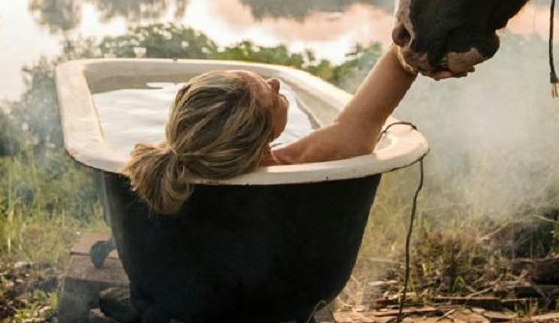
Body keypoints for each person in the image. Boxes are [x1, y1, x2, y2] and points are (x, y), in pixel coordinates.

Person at [122, 44, 417, 215]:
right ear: (257, 138)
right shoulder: (305, 163)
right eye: (269, 97)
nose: (275, 84)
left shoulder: (168, 174)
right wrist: (421, 39)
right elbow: (402, 60)